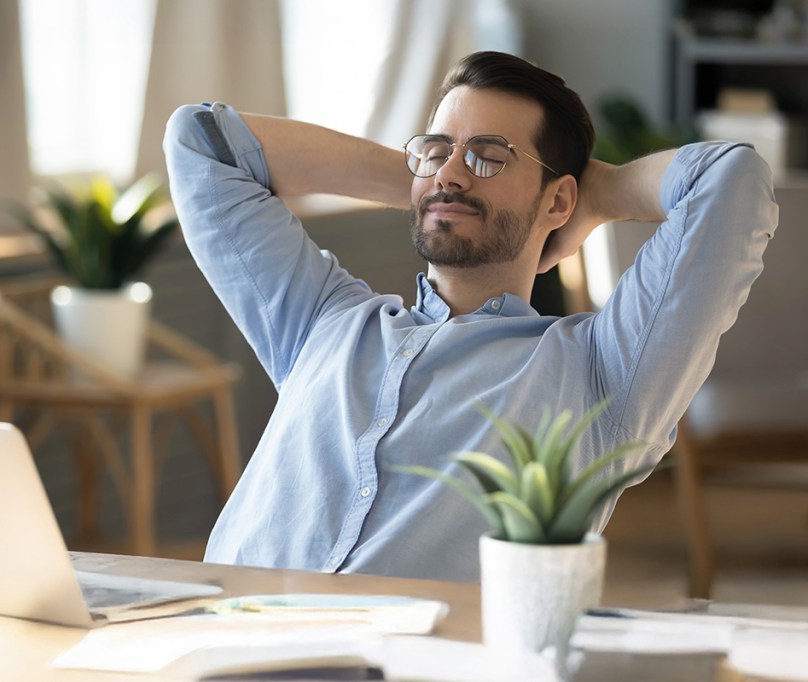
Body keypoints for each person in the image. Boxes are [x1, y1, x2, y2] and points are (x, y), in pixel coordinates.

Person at [162, 51, 777, 582]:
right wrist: (432, 185)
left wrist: (594, 196)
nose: (453, 171)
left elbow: (731, 180)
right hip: (218, 645)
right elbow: (201, 141)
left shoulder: (601, 373)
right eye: (434, 150)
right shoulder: (323, 319)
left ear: (559, 197)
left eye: (489, 155)